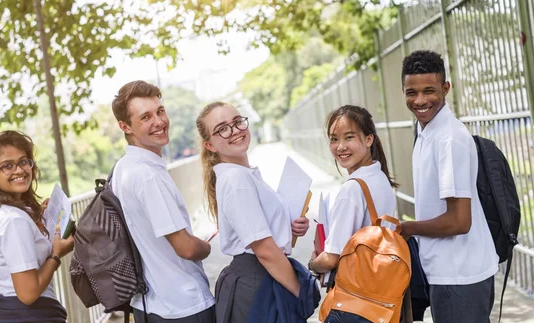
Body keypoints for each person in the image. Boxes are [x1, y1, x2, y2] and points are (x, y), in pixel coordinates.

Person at [400, 50, 498, 323]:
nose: (420, 100)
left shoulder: (449, 139)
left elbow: (459, 221)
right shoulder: (426, 131)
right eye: (411, 92)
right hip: (448, 271)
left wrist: (408, 228)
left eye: (429, 90)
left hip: (461, 275)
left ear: (445, 88)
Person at [196, 101, 312, 323]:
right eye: (222, 129)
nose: (235, 131)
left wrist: (286, 228)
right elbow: (265, 250)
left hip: (263, 279)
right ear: (210, 145)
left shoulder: (241, 174)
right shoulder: (236, 179)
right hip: (260, 283)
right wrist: (299, 294)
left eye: (237, 121)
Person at [110, 80, 215, 322]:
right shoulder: (148, 176)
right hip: (183, 306)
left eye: (160, 111)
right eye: (145, 117)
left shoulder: (123, 168)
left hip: (149, 304)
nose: (159, 122)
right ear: (125, 126)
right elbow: (186, 248)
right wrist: (206, 246)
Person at [307, 105, 398, 323]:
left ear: (368, 140)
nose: (340, 147)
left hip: (356, 302)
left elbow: (331, 258)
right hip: (382, 296)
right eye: (334, 139)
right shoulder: (380, 177)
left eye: (349, 137)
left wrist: (311, 265)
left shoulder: (352, 189)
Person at [0, 130, 74, 322]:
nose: (19, 170)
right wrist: (55, 254)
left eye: (23, 161)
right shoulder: (13, 220)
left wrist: (37, 220)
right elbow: (28, 294)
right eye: (7, 166)